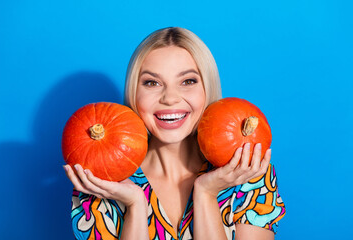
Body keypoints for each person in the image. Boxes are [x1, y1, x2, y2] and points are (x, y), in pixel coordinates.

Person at [63, 27, 286, 240]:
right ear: (134, 93)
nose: (170, 98)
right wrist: (135, 205)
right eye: (152, 82)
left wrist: (206, 193)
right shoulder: (102, 183)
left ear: (207, 89)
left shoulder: (247, 173)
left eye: (188, 81)